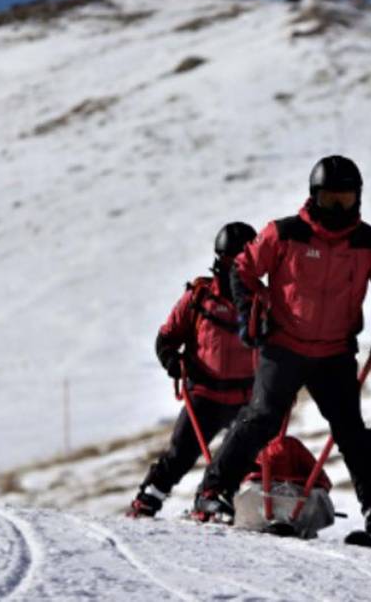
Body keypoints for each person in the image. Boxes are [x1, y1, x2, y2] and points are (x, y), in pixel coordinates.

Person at [193, 155, 371, 547]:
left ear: (358, 198)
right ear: (314, 197)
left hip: (334, 354)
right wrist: (251, 313)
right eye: (330, 200)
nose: (338, 209)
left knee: (354, 436)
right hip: (284, 346)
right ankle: (212, 496)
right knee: (260, 418)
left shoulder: (369, 243)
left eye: (345, 200)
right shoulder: (285, 233)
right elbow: (242, 269)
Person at [127, 222, 259, 518]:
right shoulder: (200, 298)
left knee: (244, 457)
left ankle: (219, 500)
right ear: (219, 259)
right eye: (230, 260)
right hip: (205, 393)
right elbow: (167, 338)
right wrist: (173, 362)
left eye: (244, 260)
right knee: (181, 453)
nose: (236, 268)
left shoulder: (262, 302)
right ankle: (149, 498)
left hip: (245, 398)